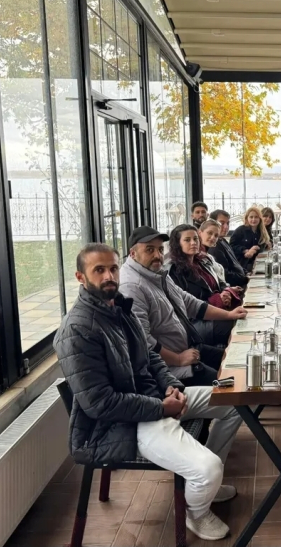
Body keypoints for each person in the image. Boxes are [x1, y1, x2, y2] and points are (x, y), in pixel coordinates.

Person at [56, 243, 244, 541]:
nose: (109, 276)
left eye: (113, 268)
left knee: (237, 402)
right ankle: (196, 512)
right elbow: (100, 404)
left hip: (155, 397)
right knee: (208, 468)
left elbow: (151, 356)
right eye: (99, 270)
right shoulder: (77, 330)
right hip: (122, 423)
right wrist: (161, 408)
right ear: (81, 277)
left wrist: (172, 386)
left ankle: (205, 485)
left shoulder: (119, 307)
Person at [119, 227, 247, 380]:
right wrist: (178, 359)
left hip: (190, 348)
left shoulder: (157, 273)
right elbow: (142, 340)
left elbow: (189, 302)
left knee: (238, 362)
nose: (157, 255)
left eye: (160, 249)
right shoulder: (131, 287)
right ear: (133, 253)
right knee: (231, 382)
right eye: (149, 250)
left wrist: (229, 314)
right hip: (171, 368)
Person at [167, 224, 240, 347]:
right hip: (195, 323)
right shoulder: (174, 271)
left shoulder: (203, 261)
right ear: (177, 244)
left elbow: (219, 283)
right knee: (236, 326)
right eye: (187, 240)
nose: (193, 243)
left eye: (195, 239)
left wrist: (225, 292)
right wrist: (216, 300)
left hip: (216, 312)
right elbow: (184, 306)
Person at [198, 218, 245, 291]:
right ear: (200, 233)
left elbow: (218, 282)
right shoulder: (198, 256)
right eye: (209, 233)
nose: (213, 237)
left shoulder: (208, 255)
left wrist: (229, 289)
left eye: (216, 235)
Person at [208, 209, 249, 288]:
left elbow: (235, 263)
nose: (226, 227)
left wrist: (246, 273)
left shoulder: (223, 240)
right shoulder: (214, 246)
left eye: (227, 223)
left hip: (241, 281)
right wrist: (245, 278)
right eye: (222, 223)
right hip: (233, 288)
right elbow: (225, 274)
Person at [230, 207, 271, 273]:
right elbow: (231, 246)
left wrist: (257, 248)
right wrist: (245, 251)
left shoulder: (261, 231)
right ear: (247, 218)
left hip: (256, 263)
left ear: (260, 219)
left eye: (256, 217)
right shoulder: (240, 230)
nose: (253, 219)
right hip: (242, 264)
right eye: (251, 217)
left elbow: (263, 245)